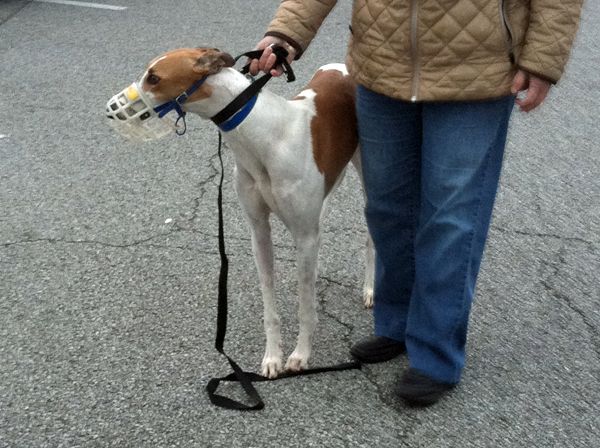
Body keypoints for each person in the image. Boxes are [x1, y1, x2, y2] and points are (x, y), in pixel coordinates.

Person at [249, 0, 583, 406]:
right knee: (388, 208)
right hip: (381, 65)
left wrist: (542, 59)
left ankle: (435, 353)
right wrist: (286, 32)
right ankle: (397, 323)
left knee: (450, 217)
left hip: (476, 71)